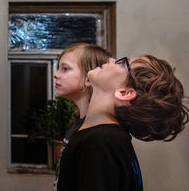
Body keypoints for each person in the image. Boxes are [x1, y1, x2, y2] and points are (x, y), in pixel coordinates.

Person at [57, 55, 189, 191]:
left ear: (125, 93)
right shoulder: (105, 138)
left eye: (122, 64)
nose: (111, 60)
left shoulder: (101, 143)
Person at [53, 42, 112, 190]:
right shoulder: (78, 125)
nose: (55, 74)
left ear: (88, 78)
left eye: (65, 69)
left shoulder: (98, 135)